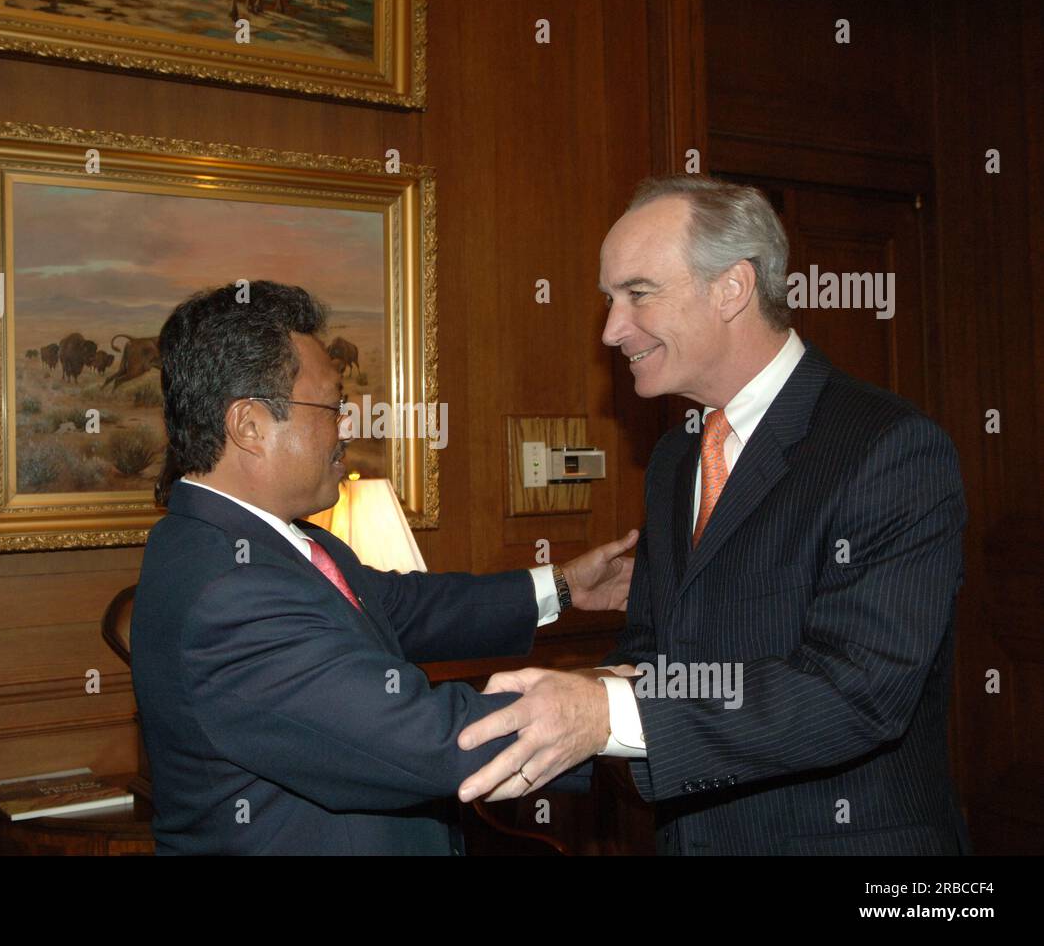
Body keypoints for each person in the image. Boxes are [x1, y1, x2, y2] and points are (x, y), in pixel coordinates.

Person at [457, 175, 971, 855]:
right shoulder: (676, 457)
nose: (611, 330)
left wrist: (605, 713)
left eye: (638, 293)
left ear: (732, 288)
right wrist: (572, 698)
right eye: (609, 300)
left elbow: (857, 691)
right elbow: (656, 649)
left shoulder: (889, 448)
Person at [130, 280, 638, 855]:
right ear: (249, 426)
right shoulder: (230, 591)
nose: (349, 426)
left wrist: (562, 586)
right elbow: (424, 739)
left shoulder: (257, 542)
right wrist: (606, 710)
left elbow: (405, 608)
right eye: (334, 407)